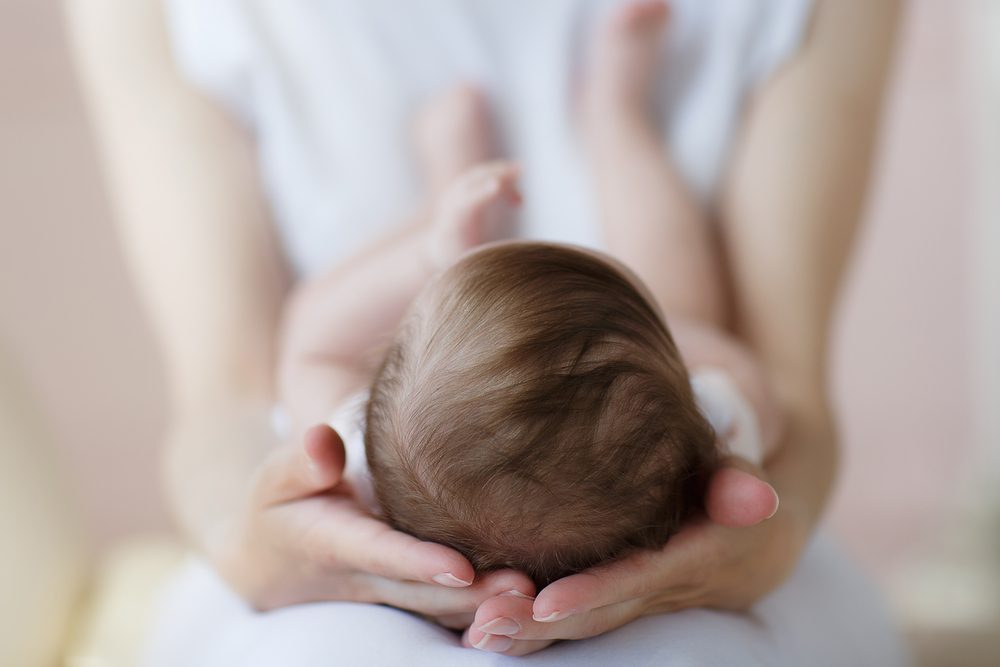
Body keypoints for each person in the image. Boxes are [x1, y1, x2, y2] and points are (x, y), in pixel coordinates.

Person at [67, 0, 908, 662]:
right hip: (655, 367)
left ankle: (448, 179)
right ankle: (616, 118)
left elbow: (312, 339)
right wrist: (720, 384)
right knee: (681, 292)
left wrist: (425, 246)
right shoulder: (702, 424)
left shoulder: (354, 455)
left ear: (385, 382)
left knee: (675, 302)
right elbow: (766, 391)